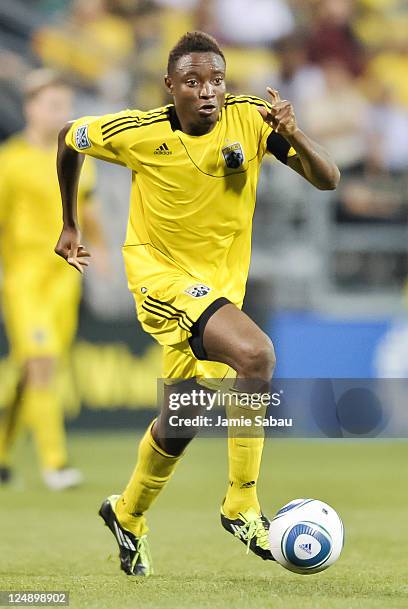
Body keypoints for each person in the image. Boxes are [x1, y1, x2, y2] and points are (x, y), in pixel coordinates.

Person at [55, 31, 340, 575]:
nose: (207, 91)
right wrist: (69, 220)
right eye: (192, 81)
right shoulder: (137, 132)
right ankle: (242, 502)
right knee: (256, 356)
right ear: (171, 87)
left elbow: (328, 180)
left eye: (216, 80)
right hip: (159, 277)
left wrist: (295, 133)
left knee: (182, 415)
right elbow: (70, 137)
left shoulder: (253, 119)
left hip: (218, 288)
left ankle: (127, 513)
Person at [0, 69, 105, 490]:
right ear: (31, 109)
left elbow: (88, 210)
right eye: (53, 105)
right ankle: (56, 463)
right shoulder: (10, 160)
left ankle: (3, 453)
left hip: (65, 279)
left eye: (65, 105)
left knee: (35, 371)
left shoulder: (75, 155)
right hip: (25, 277)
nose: (61, 113)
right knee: (40, 362)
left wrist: (102, 254)